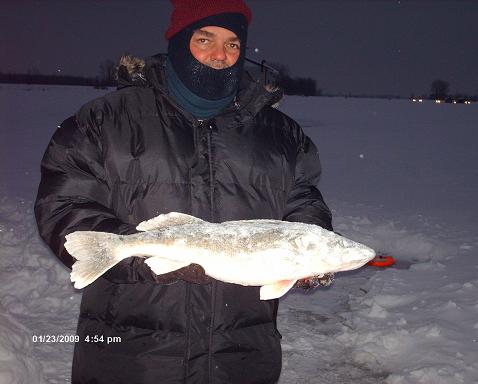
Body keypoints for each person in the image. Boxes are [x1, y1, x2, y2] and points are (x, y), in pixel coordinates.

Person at [34, 0, 332, 383]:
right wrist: (150, 259)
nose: (220, 55)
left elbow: (303, 201)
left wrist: (309, 254)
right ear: (177, 41)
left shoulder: (280, 133)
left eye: (233, 44)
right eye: (204, 39)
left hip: (241, 354)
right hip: (132, 354)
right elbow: (64, 209)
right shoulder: (104, 121)